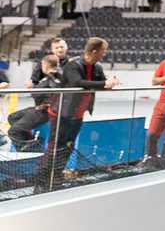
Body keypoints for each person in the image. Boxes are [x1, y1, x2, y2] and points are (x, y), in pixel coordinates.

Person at [36, 38, 120, 187]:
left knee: (68, 146)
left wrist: (110, 83)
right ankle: (42, 176)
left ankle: (56, 176)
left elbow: (101, 84)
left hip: (78, 114)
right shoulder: (73, 65)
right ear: (95, 51)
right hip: (61, 113)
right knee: (55, 146)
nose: (105, 53)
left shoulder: (97, 66)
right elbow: (77, 83)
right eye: (103, 50)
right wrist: (104, 83)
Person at [8, 37, 68, 150]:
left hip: (47, 110)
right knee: (13, 117)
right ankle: (30, 143)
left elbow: (57, 89)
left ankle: (29, 149)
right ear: (52, 49)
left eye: (61, 47)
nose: (60, 49)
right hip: (39, 107)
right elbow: (36, 82)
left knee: (14, 131)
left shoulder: (60, 73)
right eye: (57, 47)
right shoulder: (45, 72)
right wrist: (33, 86)